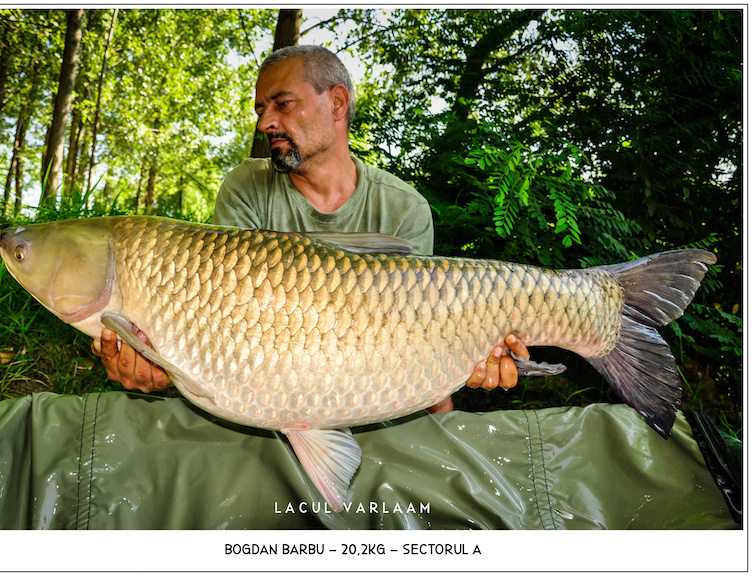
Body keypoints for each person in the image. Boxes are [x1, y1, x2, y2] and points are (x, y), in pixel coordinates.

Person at [91, 45, 531, 413]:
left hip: (373, 397)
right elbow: (223, 337)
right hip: (268, 394)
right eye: (261, 109)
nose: (265, 122)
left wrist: (459, 364)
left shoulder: (403, 207)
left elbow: (416, 337)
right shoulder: (247, 187)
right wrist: (161, 362)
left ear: (337, 103)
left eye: (282, 104)